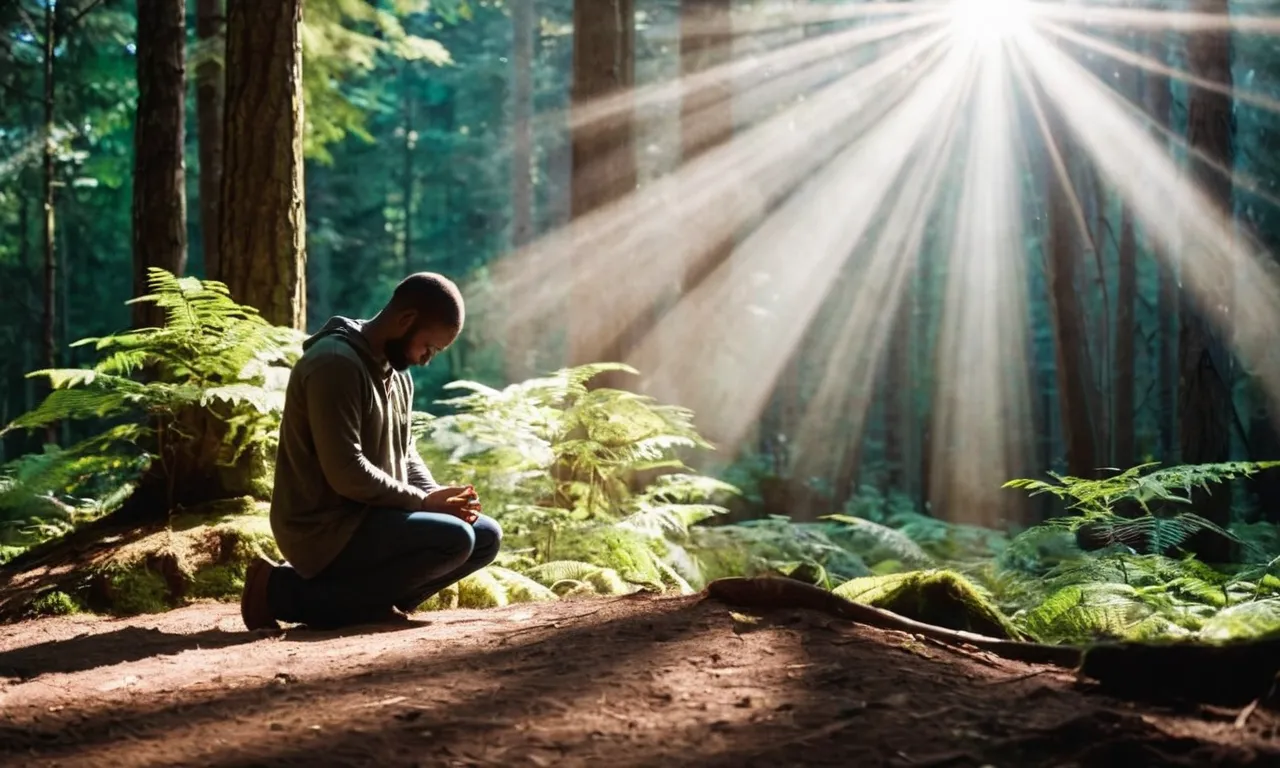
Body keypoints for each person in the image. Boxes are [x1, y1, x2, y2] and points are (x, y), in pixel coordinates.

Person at [239, 272, 502, 631]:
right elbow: (347, 472)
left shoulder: (398, 374)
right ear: (406, 320)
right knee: (454, 539)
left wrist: (436, 496)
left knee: (484, 536)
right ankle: (278, 592)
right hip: (325, 527)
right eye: (430, 347)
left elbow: (406, 454)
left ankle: (362, 604)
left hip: (373, 516)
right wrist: (424, 505)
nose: (427, 359)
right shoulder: (335, 364)